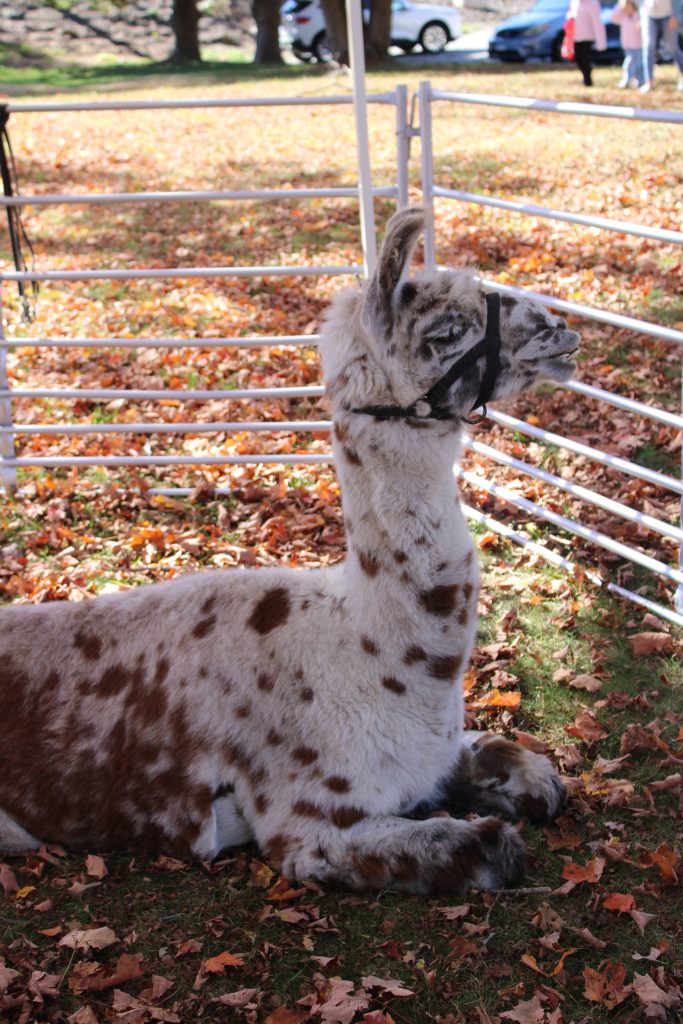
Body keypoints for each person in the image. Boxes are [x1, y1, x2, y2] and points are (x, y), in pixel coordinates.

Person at [639, 0, 680, 90]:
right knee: (648, 46)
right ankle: (648, 81)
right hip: (648, 14)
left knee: (673, 47)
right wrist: (641, 10)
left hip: (668, 15)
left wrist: (675, 15)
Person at [567, 0, 607, 85]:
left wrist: (601, 42)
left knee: (585, 59)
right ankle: (586, 75)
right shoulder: (574, 2)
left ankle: (587, 80)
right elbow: (570, 14)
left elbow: (597, 22)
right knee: (578, 59)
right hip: (576, 36)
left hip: (588, 37)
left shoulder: (593, 3)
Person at [612, 0, 644, 85]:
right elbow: (613, 17)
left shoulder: (638, 16)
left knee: (638, 64)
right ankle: (627, 79)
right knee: (630, 63)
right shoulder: (623, 16)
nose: (627, 9)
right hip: (628, 45)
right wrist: (620, 5)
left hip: (638, 45)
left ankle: (639, 80)